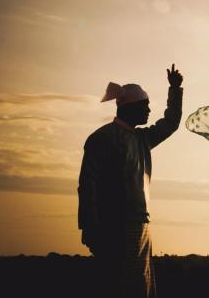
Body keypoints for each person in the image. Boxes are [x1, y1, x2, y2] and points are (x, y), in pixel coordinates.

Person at [78, 64, 183, 298]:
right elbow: (87, 185)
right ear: (129, 108)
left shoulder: (142, 139)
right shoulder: (101, 138)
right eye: (144, 105)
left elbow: (171, 123)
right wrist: (89, 225)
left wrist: (175, 90)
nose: (148, 110)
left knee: (140, 287)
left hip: (140, 223)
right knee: (119, 286)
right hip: (113, 225)